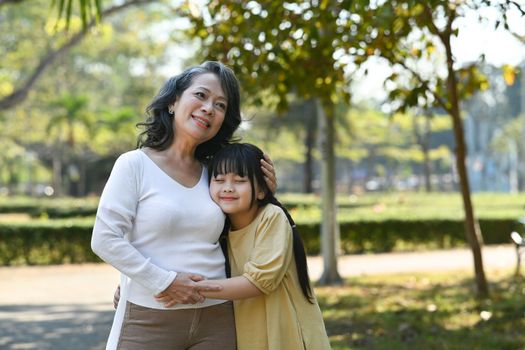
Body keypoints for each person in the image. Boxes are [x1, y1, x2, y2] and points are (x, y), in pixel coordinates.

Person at [91, 61, 276, 350]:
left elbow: (243, 234)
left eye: (220, 105)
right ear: (174, 102)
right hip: (148, 318)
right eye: (201, 95)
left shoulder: (216, 175)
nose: (208, 108)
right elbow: (105, 239)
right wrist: (162, 281)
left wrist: (263, 193)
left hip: (217, 320)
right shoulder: (134, 164)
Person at [156, 143, 331, 350]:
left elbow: (258, 282)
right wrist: (139, 282)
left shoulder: (271, 217)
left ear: (261, 190)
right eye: (219, 180)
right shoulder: (218, 229)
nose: (228, 187)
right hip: (249, 333)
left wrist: (191, 289)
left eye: (239, 180)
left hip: (286, 334)